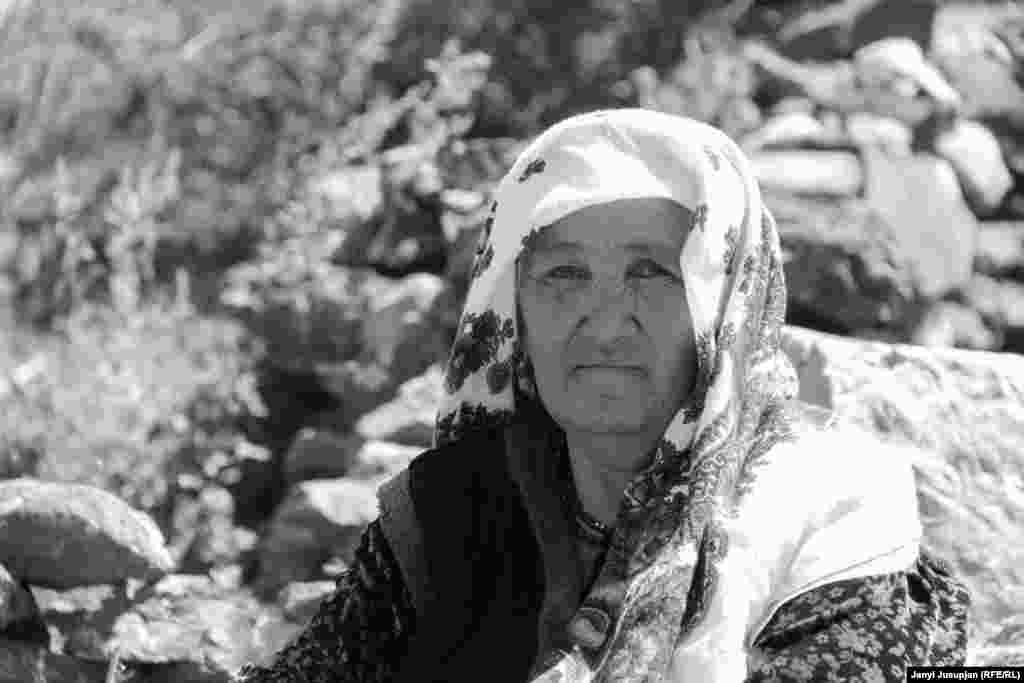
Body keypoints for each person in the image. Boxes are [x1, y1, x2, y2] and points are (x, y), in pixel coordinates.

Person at [233, 108, 970, 683]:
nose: (606, 320)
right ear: (513, 310)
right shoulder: (452, 513)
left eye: (652, 272)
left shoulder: (832, 516)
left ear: (724, 303)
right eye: (563, 276)